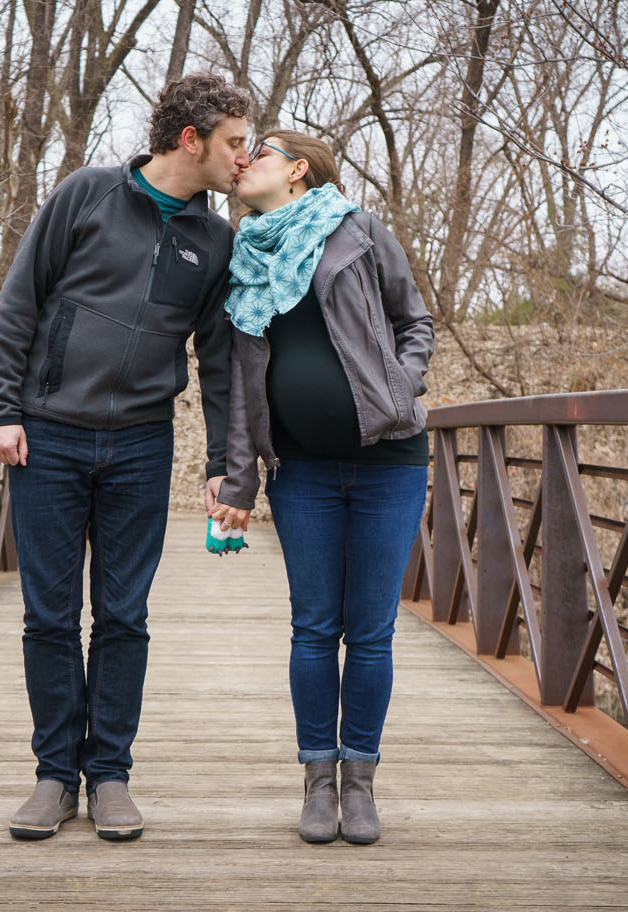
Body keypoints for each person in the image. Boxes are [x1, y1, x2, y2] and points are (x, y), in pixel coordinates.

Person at [0, 74, 251, 841]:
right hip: (48, 436)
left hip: (140, 443)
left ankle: (110, 777)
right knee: (50, 617)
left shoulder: (215, 240)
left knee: (124, 617)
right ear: (191, 138)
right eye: (234, 141)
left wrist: (223, 465)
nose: (244, 156)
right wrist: (0, 409)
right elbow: (19, 302)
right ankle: (54, 776)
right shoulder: (87, 194)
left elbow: (220, 361)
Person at [210, 130, 432, 845]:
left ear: (298, 169)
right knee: (313, 629)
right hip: (299, 471)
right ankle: (317, 779)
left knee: (369, 632)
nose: (243, 163)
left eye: (260, 153)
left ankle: (360, 780)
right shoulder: (241, 256)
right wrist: (237, 482)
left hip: (389, 462)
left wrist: (400, 387)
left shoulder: (360, 231)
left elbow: (413, 321)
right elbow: (240, 386)